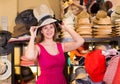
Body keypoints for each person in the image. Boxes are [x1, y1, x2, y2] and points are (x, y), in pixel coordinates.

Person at [22, 14, 84, 84]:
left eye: (51, 27)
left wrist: (66, 28)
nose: (49, 30)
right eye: (45, 28)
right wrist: (33, 36)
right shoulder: (38, 47)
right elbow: (29, 56)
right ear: (41, 31)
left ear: (54, 29)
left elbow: (80, 41)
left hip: (61, 81)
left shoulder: (61, 46)